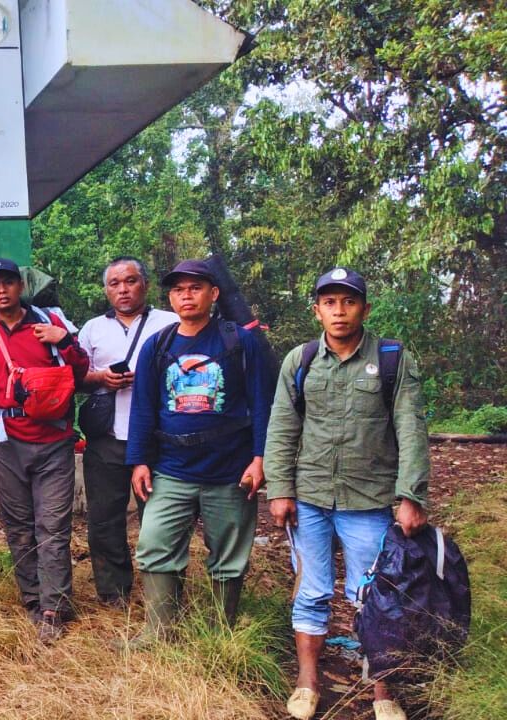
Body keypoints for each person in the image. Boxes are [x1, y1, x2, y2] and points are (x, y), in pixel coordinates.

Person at [265, 268, 430, 720]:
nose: (339, 311)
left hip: (370, 499)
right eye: (330, 302)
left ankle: (381, 689)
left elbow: (411, 429)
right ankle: (308, 681)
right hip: (311, 496)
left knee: (374, 593)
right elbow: (282, 427)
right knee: (312, 591)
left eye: (349, 302)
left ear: (365, 308)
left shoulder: (393, 358)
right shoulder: (300, 361)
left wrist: (410, 494)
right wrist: (279, 489)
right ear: (317, 309)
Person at [125, 259, 275, 643]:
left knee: (227, 559)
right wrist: (139, 460)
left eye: (194, 288)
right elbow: (143, 408)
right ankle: (160, 631)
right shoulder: (157, 346)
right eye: (178, 289)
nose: (186, 295)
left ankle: (219, 632)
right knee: (155, 545)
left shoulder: (239, 342)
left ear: (213, 294)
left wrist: (260, 459)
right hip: (172, 470)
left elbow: (262, 404)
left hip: (230, 471)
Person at [0, 258, 89, 642]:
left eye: (9, 283)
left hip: (54, 441)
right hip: (7, 444)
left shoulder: (49, 324)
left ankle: (53, 608)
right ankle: (32, 599)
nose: (2, 290)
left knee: (53, 527)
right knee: (19, 528)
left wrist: (66, 342)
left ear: (20, 287)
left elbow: (80, 371)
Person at [75, 257, 178, 605]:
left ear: (145, 285)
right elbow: (77, 377)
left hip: (160, 440)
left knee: (162, 520)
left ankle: (163, 591)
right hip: (107, 437)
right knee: (104, 519)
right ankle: (112, 591)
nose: (123, 289)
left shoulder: (171, 323)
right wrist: (101, 378)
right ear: (106, 289)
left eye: (130, 281)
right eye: (114, 283)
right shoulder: (92, 328)